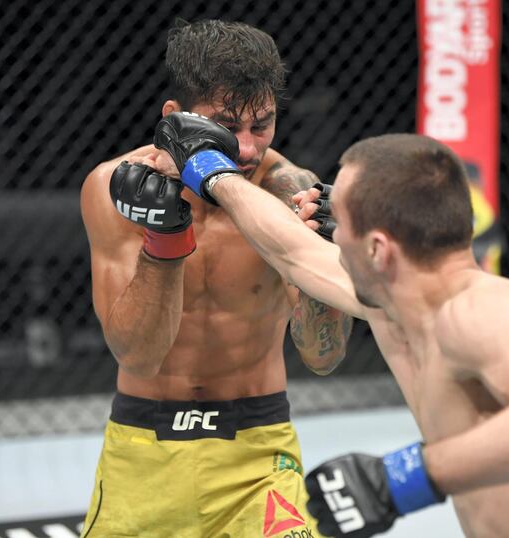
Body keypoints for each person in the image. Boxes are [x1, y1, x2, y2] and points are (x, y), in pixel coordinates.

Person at [155, 122, 509, 536]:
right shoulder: (400, 308)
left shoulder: (481, 312)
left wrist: (398, 480)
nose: (327, 231)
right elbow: (293, 251)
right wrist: (210, 174)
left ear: (379, 250)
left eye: (339, 222)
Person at [78, 19, 352, 538]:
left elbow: (324, 357)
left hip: (258, 452)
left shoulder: (288, 195)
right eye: (226, 126)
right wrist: (163, 242)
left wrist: (333, 260)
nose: (247, 150)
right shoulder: (114, 189)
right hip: (143, 447)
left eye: (262, 125)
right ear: (174, 117)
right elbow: (138, 356)